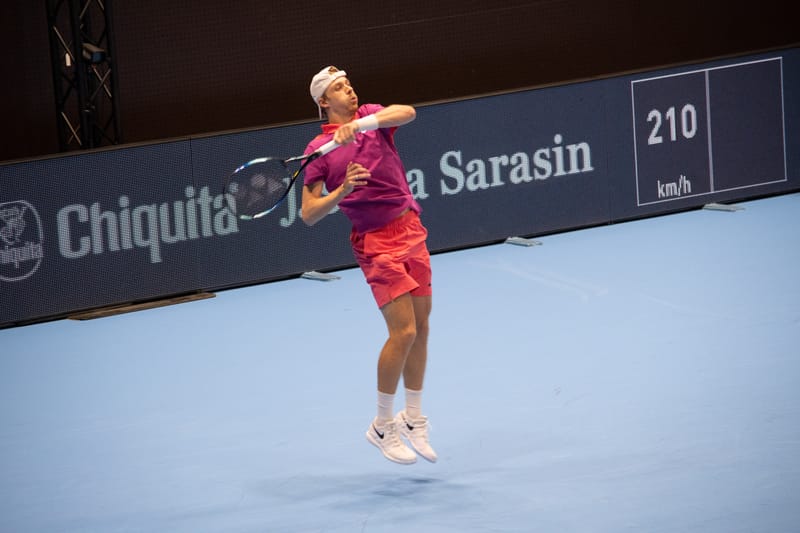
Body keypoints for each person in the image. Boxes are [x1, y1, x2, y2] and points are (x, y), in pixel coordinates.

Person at [301, 66, 437, 465]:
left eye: (349, 84)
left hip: (410, 226)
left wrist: (364, 126)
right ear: (324, 101)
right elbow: (308, 213)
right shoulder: (317, 151)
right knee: (404, 330)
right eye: (340, 88)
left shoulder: (372, 118)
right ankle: (382, 425)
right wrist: (343, 190)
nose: (350, 90)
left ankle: (412, 418)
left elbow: (408, 112)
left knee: (423, 327)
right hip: (376, 242)